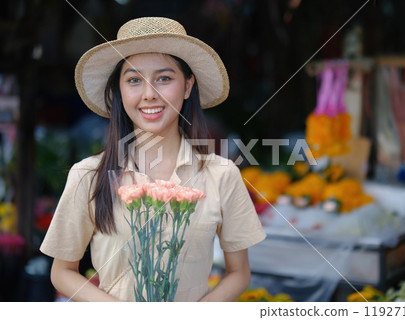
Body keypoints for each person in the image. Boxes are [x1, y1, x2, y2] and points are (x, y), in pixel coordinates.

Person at [40, 17, 266, 302]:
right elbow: (62, 272)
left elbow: (239, 273)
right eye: (134, 80)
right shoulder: (88, 175)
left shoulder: (222, 174)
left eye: (164, 78)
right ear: (119, 93)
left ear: (187, 87)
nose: (149, 94)